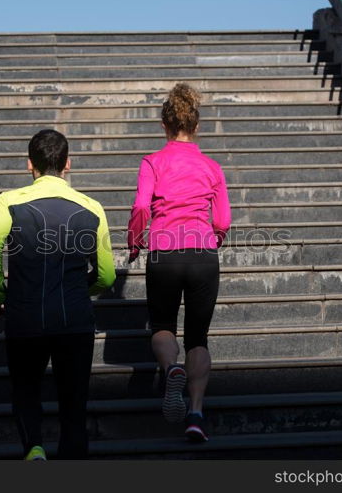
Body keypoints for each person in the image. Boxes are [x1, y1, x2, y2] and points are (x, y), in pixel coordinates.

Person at [0, 129, 116, 460]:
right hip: (75, 319)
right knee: (74, 404)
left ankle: (35, 449)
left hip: (25, 314)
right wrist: (82, 290)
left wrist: (1, 293)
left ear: (30, 165)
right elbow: (107, 274)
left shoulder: (8, 202)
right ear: (68, 164)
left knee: (25, 390)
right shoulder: (92, 207)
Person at [127, 83, 232, 442]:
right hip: (202, 254)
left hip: (164, 252)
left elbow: (142, 206)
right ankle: (197, 413)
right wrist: (210, 240)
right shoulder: (212, 167)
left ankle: (171, 368)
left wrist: (135, 240)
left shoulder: (152, 162)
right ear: (197, 126)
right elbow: (222, 221)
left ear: (164, 125)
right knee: (198, 337)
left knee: (162, 326)